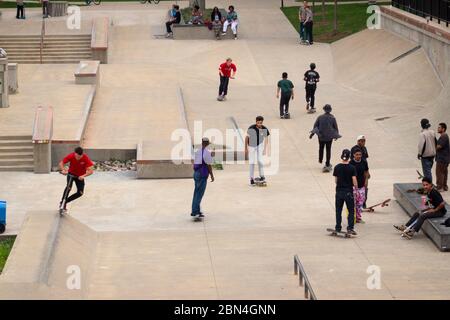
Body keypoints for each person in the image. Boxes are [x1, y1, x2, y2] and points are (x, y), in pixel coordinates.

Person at [58, 147, 94, 212]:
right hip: (71, 174)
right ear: (75, 153)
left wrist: (83, 176)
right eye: (76, 156)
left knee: (80, 193)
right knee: (68, 187)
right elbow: (61, 163)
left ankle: (65, 202)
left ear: (82, 155)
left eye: (79, 157)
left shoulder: (85, 158)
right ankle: (62, 204)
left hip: (80, 176)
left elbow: (91, 171)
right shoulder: (71, 155)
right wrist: (63, 170)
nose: (77, 158)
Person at [333, 149, 358, 235]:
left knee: (338, 210)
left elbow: (336, 180)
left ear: (342, 156)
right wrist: (357, 190)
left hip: (339, 192)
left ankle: (338, 227)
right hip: (348, 192)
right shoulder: (352, 168)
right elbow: (354, 180)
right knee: (351, 210)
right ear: (349, 157)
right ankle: (350, 228)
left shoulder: (337, 167)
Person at [309, 104, 341, 172]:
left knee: (321, 148)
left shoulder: (320, 117)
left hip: (321, 137)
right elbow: (336, 127)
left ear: (324, 109)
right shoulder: (332, 118)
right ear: (330, 110)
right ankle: (327, 163)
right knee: (328, 150)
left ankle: (320, 159)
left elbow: (315, 126)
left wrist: (312, 134)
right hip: (329, 137)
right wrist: (336, 135)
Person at [191, 137, 214, 218]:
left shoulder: (198, 151)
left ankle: (196, 210)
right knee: (199, 193)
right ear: (207, 143)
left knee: (196, 192)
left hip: (196, 173)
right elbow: (209, 165)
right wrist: (211, 175)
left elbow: (195, 161)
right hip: (202, 174)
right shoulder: (207, 153)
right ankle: (195, 211)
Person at [245, 116, 270, 186]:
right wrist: (245, 148)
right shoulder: (251, 128)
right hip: (251, 145)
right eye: (258, 123)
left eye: (261, 123)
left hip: (259, 144)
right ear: (256, 122)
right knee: (252, 162)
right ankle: (251, 179)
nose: (259, 124)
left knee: (260, 160)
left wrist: (265, 148)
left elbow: (266, 138)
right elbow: (246, 138)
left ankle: (262, 176)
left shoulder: (264, 128)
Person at [350, 148, 369, 223]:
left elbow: (366, 172)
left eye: (360, 154)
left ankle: (358, 217)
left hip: (362, 186)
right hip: (353, 187)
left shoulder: (364, 162)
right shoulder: (351, 163)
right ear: (353, 155)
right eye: (357, 154)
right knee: (353, 203)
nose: (359, 156)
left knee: (360, 202)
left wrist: (366, 181)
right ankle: (352, 217)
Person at [351, 135, 370, 207]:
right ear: (358, 141)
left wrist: (367, 172)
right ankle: (356, 202)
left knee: (365, 186)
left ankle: (364, 202)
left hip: (363, 168)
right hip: (356, 170)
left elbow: (365, 159)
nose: (363, 142)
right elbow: (353, 159)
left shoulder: (364, 148)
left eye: (364, 141)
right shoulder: (354, 149)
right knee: (356, 187)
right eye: (361, 141)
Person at [436, 122, 449, 191]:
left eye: (439, 127)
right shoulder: (444, 136)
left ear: (443, 129)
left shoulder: (443, 136)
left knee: (439, 172)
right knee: (444, 172)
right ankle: (444, 186)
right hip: (445, 158)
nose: (438, 129)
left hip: (442, 158)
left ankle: (440, 187)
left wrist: (432, 146)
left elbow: (439, 146)